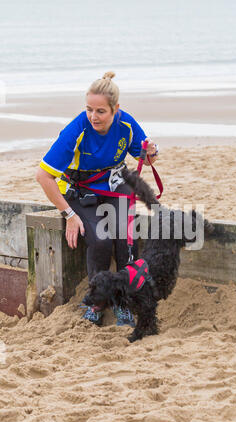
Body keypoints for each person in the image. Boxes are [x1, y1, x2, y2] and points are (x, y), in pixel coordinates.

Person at [36, 71, 159, 326]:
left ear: (116, 110)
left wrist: (152, 152)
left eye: (101, 111)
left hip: (115, 186)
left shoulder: (126, 124)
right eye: (89, 109)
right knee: (101, 240)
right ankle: (97, 302)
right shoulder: (76, 129)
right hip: (81, 191)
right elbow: (43, 177)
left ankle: (124, 300)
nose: (93, 116)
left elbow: (144, 155)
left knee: (126, 240)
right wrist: (69, 215)